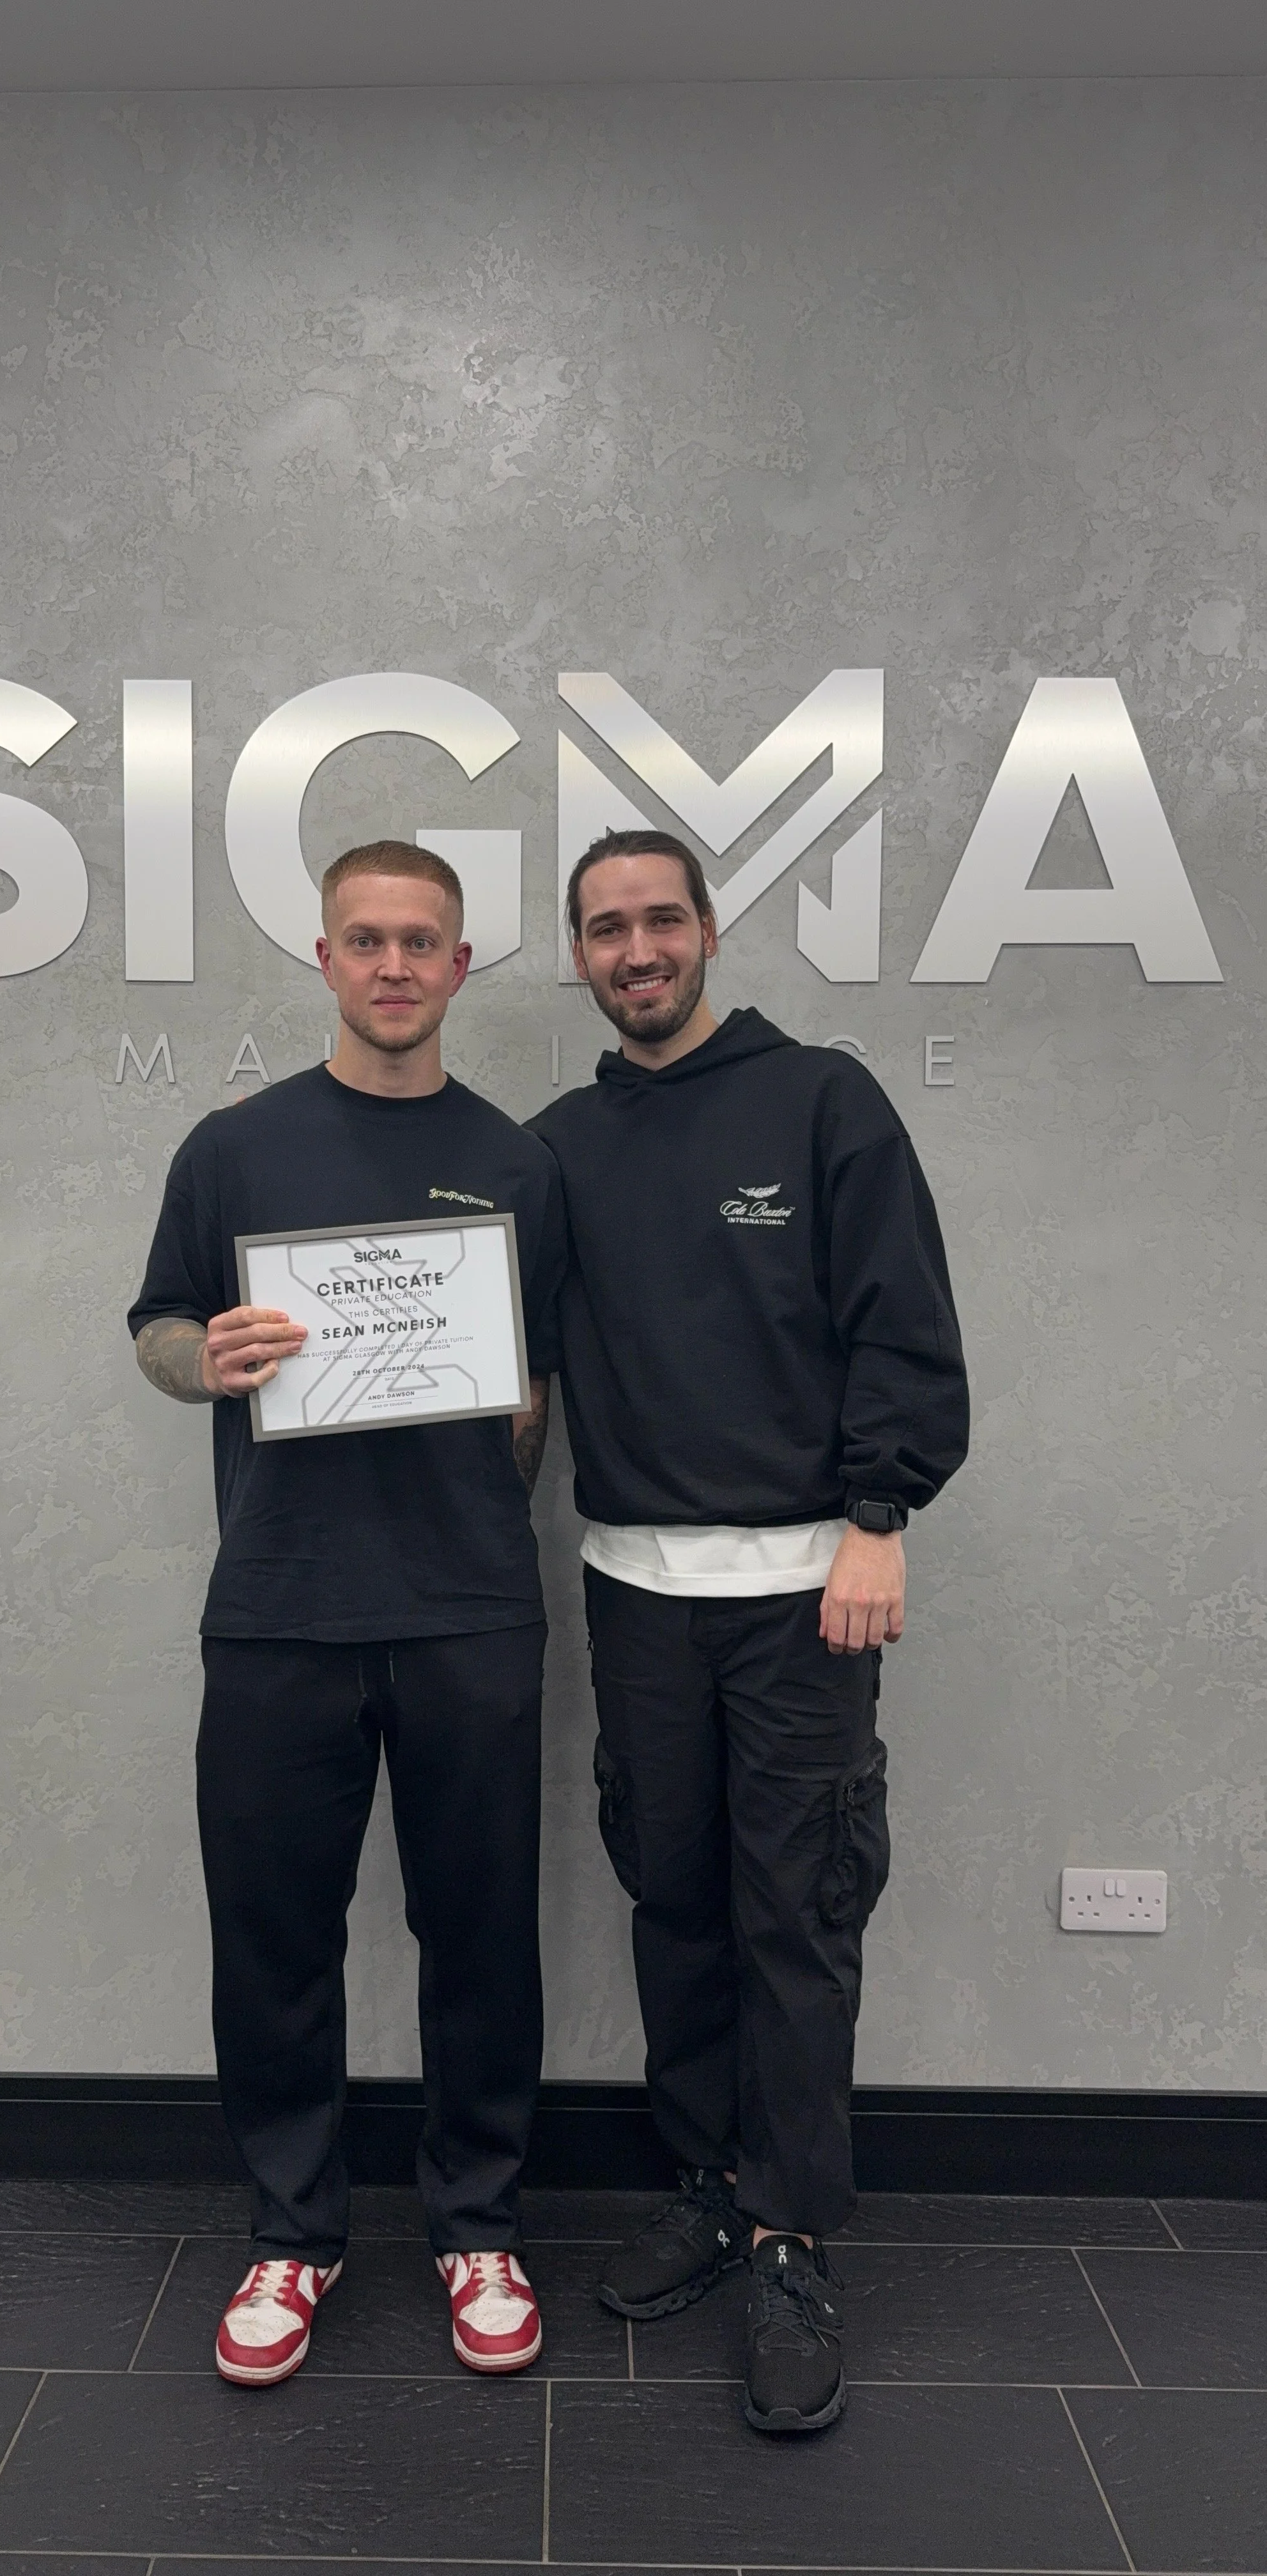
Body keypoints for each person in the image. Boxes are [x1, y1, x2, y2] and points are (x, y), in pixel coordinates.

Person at [528, 828, 969, 2435]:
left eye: (660, 920)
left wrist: (879, 1517)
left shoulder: (825, 1100)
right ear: (577, 954)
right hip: (634, 1593)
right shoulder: (560, 1144)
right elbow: (492, 1339)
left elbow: (903, 1325)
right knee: (678, 1900)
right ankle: (710, 2183)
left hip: (807, 1597)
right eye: (604, 930)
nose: (636, 950)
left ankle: (791, 2237)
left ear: (708, 932)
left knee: (800, 1913)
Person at [128, 840, 564, 2388]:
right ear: (324, 957)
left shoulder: (518, 1163)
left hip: (466, 1609)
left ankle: (478, 2224)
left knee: (480, 1933)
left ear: (461, 967)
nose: (394, 966)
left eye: (423, 943)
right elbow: (159, 1328)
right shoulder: (233, 1147)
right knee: (273, 1943)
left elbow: (542, 1381)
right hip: (278, 1608)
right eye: (366, 940)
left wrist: (499, 1413)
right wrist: (215, 1362)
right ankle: (291, 2239)